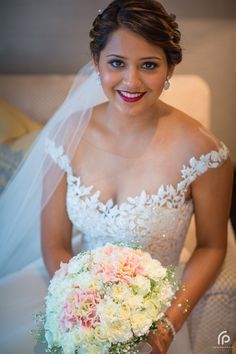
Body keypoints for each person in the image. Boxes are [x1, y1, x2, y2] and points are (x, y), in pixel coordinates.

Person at [0, 1, 235, 353]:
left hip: (155, 310)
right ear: (97, 63)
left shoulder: (205, 153)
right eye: (116, 63)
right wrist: (81, 308)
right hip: (72, 291)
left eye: (149, 65)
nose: (131, 81)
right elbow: (55, 242)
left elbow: (212, 246)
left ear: (170, 68)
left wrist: (168, 325)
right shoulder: (67, 135)